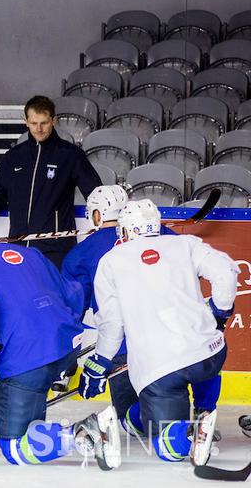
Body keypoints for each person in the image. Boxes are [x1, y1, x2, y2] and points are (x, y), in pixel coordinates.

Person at [80, 199, 237, 466]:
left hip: (161, 370)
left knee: (168, 448)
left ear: (126, 230)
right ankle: (204, 412)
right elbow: (226, 271)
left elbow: (112, 323)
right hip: (209, 353)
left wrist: (101, 361)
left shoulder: (111, 261)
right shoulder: (185, 244)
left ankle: (187, 433)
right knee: (204, 359)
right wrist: (220, 312)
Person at [0, 237, 119, 469]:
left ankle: (85, 432)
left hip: (29, 352)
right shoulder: (29, 254)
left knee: (15, 448)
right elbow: (72, 292)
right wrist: (56, 330)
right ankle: (62, 433)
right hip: (66, 345)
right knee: (32, 425)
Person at [0, 95, 101, 269]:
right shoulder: (14, 157)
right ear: (25, 121)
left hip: (56, 250)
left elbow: (95, 193)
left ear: (54, 120)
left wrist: (103, 219)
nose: (38, 129)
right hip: (17, 248)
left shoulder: (70, 155)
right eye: (33, 123)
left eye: (44, 123)